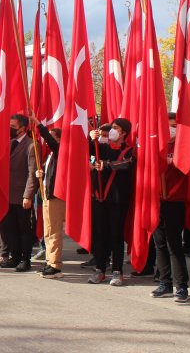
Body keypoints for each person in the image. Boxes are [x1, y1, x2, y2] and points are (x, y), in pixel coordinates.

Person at [150, 113, 190, 302]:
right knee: (160, 244)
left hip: (175, 201)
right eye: (169, 126)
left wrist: (177, 162)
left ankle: (181, 286)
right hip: (156, 200)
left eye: (174, 126)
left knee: (174, 244)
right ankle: (164, 282)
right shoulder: (155, 145)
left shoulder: (182, 147)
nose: (172, 129)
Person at [87, 118, 134, 286]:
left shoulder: (129, 150)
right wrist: (89, 137)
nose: (112, 130)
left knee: (116, 236)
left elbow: (125, 164)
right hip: (100, 198)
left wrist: (105, 164)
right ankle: (99, 269)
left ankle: (117, 271)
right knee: (100, 235)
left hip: (118, 200)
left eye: (115, 128)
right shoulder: (102, 147)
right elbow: (88, 154)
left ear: (123, 133)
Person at [0, 114, 40, 271]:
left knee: (24, 230)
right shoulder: (8, 144)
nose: (10, 129)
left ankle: (25, 259)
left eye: (13, 127)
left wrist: (28, 195)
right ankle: (14, 257)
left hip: (22, 196)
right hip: (8, 194)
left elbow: (32, 172)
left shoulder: (31, 145)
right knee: (11, 228)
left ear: (23, 128)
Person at [31, 116, 65, 279]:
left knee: (53, 230)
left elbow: (50, 140)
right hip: (46, 195)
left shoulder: (60, 150)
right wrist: (42, 173)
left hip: (55, 196)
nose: (47, 140)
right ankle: (49, 261)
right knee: (47, 230)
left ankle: (55, 265)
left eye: (52, 137)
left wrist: (38, 124)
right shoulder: (52, 155)